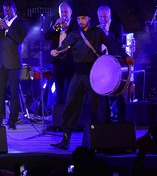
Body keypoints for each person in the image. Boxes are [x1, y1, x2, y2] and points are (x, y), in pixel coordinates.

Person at [49, 9, 127, 150]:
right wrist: (57, 51)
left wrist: (125, 56)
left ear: (89, 19)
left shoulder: (97, 33)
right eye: (78, 19)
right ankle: (65, 140)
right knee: (71, 106)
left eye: (83, 18)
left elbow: (112, 45)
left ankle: (95, 140)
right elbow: (63, 47)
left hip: (94, 74)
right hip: (78, 74)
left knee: (95, 108)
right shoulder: (74, 34)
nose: (80, 21)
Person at [0, 0, 27, 129]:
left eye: (9, 10)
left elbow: (19, 39)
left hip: (14, 62)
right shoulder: (1, 24)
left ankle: (12, 121)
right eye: (5, 10)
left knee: (14, 93)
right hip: (0, 63)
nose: (7, 12)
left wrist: (7, 28)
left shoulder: (21, 23)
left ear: (14, 9)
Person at [96, 5, 127, 122]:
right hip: (102, 62)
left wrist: (107, 33)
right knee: (102, 90)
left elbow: (119, 43)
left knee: (118, 90)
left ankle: (122, 119)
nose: (103, 18)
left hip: (115, 62)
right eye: (100, 16)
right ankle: (105, 119)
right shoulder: (96, 27)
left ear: (110, 15)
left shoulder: (117, 26)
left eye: (105, 16)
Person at [44, 2, 76, 107]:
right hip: (57, 61)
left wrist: (66, 28)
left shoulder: (74, 24)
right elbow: (46, 36)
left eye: (66, 12)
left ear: (70, 12)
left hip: (71, 61)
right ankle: (60, 117)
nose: (64, 14)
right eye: (61, 12)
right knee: (59, 89)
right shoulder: (55, 23)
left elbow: (76, 38)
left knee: (70, 89)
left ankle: (70, 116)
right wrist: (54, 27)